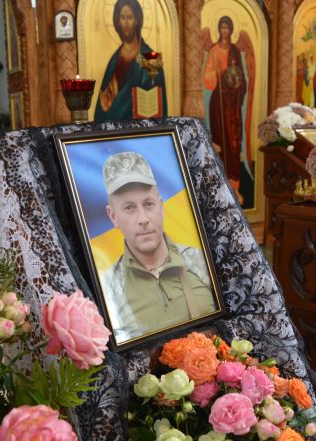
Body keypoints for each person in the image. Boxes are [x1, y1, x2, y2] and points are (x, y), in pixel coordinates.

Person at [99, 152, 216, 343]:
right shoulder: (109, 288)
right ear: (113, 216)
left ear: (161, 206)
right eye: (129, 208)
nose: (143, 219)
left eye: (149, 204)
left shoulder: (202, 262)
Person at [94, 0, 167, 121]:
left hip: (142, 129)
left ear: (137, 21)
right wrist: (105, 105)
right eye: (122, 17)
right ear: (117, 21)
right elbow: (104, 105)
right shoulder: (115, 59)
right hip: (117, 131)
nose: (126, 22)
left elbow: (157, 94)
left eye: (130, 17)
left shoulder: (150, 56)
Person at [203, 16, 247, 203]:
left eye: (227, 28)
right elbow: (207, 78)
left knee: (234, 144)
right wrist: (219, 72)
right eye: (221, 27)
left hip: (233, 107)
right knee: (220, 142)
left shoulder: (235, 51)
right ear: (218, 30)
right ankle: (220, 187)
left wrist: (236, 82)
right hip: (218, 105)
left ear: (231, 30)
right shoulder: (213, 51)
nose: (224, 31)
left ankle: (235, 187)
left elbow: (241, 79)